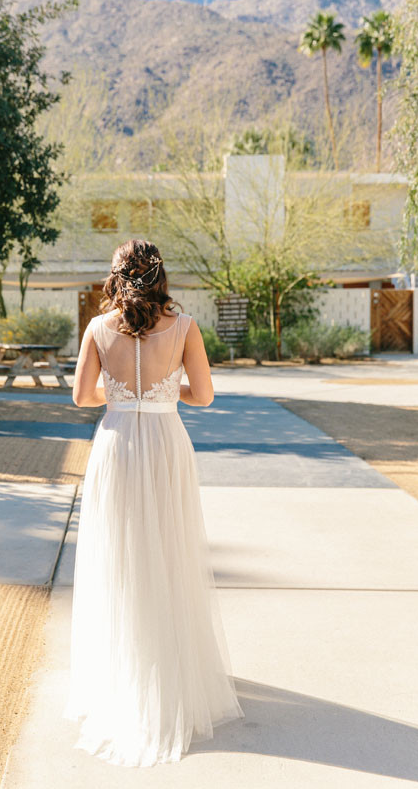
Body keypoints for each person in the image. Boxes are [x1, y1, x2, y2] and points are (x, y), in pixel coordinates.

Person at [62, 238, 244, 767]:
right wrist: (169, 394)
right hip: (166, 443)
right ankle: (170, 675)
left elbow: (81, 397)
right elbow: (205, 395)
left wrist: (122, 398)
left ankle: (122, 675)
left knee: (120, 559)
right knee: (168, 553)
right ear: (160, 275)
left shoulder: (98, 329)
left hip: (117, 444)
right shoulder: (184, 329)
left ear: (117, 276)